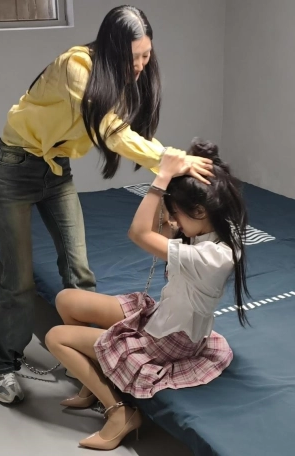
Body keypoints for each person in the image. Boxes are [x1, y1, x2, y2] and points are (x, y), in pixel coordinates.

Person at [0, 5, 214, 405]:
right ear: (112, 49)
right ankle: (5, 365)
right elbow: (112, 131)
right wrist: (171, 162)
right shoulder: (76, 67)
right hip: (14, 167)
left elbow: (124, 129)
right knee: (19, 279)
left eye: (146, 55)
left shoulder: (119, 75)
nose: (141, 65)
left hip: (56, 169)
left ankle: (92, 365)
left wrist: (171, 167)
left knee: (79, 271)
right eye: (134, 57)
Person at [45, 139, 251, 450]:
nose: (175, 220)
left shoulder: (211, 256)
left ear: (199, 211)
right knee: (67, 300)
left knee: (56, 338)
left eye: (177, 213)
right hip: (160, 317)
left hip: (169, 339)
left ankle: (120, 413)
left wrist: (162, 178)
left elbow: (139, 234)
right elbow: (162, 229)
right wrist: (175, 187)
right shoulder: (211, 224)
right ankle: (95, 381)